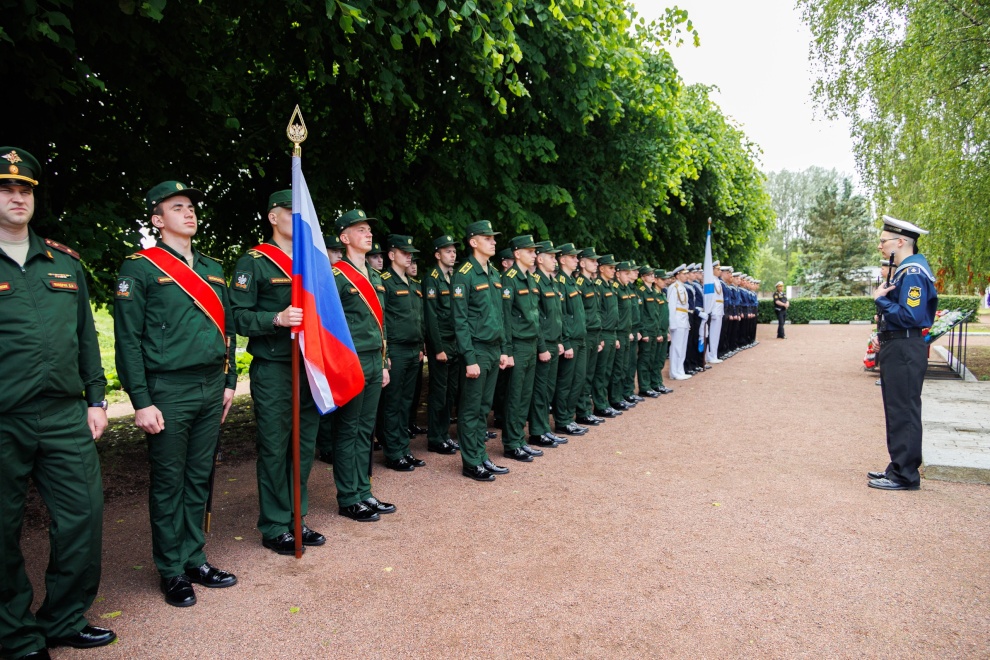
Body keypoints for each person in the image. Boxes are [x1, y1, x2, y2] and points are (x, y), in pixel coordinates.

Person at [0, 147, 116, 656]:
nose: (17, 197)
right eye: (5, 189)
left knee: (83, 516)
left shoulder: (63, 261)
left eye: (24, 189)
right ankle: (14, 634)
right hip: (5, 418)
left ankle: (64, 617)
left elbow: (86, 334)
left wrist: (97, 398)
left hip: (65, 414)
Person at [114, 181, 238, 608]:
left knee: (198, 476)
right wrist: (141, 400)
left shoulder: (212, 267)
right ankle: (171, 569)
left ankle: (194, 558)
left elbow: (227, 329)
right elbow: (127, 340)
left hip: (210, 385)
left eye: (191, 207)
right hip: (168, 389)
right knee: (169, 482)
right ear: (157, 219)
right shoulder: (140, 268)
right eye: (177, 207)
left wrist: (229, 381)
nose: (189, 213)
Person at [229, 190, 325, 556]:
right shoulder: (254, 261)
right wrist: (276, 319)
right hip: (274, 367)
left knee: (303, 445)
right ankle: (274, 525)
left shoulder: (310, 260)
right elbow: (237, 316)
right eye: (290, 212)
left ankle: (296, 518)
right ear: (273, 217)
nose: (297, 219)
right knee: (274, 447)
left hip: (309, 365)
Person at [331, 209, 396, 519]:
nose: (368, 234)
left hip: (373, 359)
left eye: (369, 230)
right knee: (348, 428)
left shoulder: (375, 276)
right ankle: (348, 497)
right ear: (344, 238)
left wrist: (383, 362)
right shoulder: (336, 276)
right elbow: (329, 325)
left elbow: (381, 324)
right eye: (360, 230)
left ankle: (363, 490)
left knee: (365, 430)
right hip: (351, 360)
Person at [868, 215, 938, 491]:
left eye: (883, 241)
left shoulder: (913, 273)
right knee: (897, 409)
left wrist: (881, 300)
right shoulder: (906, 271)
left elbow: (910, 316)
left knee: (904, 410)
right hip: (899, 345)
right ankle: (897, 466)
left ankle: (905, 475)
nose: (880, 246)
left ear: (900, 242)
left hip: (905, 348)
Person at [452, 220, 511, 481]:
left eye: (493, 238)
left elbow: (499, 315)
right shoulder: (464, 274)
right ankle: (471, 462)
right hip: (475, 350)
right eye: (488, 238)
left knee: (483, 408)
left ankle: (481, 455)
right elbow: (460, 319)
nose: (493, 242)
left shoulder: (494, 273)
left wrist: (503, 349)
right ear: (473, 242)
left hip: (493, 349)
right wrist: (469, 358)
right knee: (471, 409)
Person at [379, 235, 427, 472]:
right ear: (391, 255)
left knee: (407, 403)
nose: (409, 257)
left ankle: (403, 448)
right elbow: (382, 320)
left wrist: (421, 347)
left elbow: (418, 319)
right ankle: (393, 452)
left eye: (411, 254)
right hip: (395, 350)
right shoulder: (385, 282)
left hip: (412, 350)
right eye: (404, 253)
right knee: (393, 402)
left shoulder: (413, 284)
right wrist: (385, 353)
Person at [501, 235, 550, 461]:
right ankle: (511, 443)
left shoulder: (530, 278)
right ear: (517, 253)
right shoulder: (509, 279)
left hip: (530, 343)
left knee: (525, 395)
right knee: (515, 395)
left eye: (535, 251)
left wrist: (540, 345)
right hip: (518, 345)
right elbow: (505, 318)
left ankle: (520, 439)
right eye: (530, 251)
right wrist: (508, 351)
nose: (534, 255)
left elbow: (535, 317)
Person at [423, 234, 460, 454]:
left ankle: (444, 434)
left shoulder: (453, 277)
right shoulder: (432, 278)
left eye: (454, 251)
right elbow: (431, 317)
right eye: (448, 251)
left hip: (454, 342)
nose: (452, 254)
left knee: (450, 393)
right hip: (442, 344)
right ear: (437, 255)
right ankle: (435, 437)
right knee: (439, 392)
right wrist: (438, 349)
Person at [553, 243, 591, 435]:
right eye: (573, 257)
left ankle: (569, 417)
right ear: (562, 259)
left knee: (578, 380)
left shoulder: (572, 281)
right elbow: (562, 316)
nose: (577, 260)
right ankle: (562, 420)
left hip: (580, 337)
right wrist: (566, 342)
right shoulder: (560, 281)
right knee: (566, 382)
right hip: (571, 340)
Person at [575, 247, 605, 426]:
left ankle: (586, 409)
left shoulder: (593, 283)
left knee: (590, 374)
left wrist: (599, 336)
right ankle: (582, 411)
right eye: (592, 261)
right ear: (582, 263)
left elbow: (597, 311)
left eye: (596, 261)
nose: (596, 263)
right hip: (585, 334)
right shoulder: (579, 283)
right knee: (582, 375)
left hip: (594, 333)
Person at [592, 254, 622, 417]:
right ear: (602, 268)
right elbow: (598, 312)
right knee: (600, 371)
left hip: (612, 332)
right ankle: (600, 405)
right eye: (610, 267)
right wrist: (601, 336)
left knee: (608, 371)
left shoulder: (610, 286)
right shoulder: (598, 286)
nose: (613, 270)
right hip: (603, 333)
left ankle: (605, 402)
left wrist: (615, 334)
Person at [666, 264, 691, 380]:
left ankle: (680, 370)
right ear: (677, 275)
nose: (686, 276)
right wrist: (672, 324)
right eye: (684, 274)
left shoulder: (682, 287)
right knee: (676, 347)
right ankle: (674, 372)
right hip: (677, 321)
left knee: (682, 347)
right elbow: (671, 306)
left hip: (683, 320)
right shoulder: (673, 287)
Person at [706, 261, 725, 363]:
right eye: (718, 269)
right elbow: (710, 297)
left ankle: (714, 354)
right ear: (712, 270)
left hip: (719, 309)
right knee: (712, 333)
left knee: (716, 334)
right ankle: (710, 355)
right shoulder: (710, 280)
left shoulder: (718, 281)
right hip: (714, 309)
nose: (720, 271)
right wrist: (711, 310)